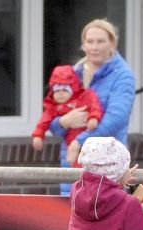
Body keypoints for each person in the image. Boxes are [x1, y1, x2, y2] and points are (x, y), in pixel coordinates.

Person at [50, 19, 136, 193]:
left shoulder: (123, 75)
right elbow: (50, 118)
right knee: (70, 215)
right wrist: (63, 122)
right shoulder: (72, 73)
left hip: (108, 164)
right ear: (83, 44)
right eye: (90, 41)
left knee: (107, 215)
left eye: (100, 41)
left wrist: (79, 141)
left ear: (112, 44)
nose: (95, 47)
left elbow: (116, 119)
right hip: (72, 162)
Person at [31, 65, 102, 159]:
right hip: (70, 142)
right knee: (74, 164)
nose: (60, 93)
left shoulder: (84, 96)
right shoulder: (53, 107)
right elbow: (43, 121)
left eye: (65, 90)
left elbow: (94, 105)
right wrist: (38, 135)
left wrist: (94, 117)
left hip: (90, 138)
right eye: (57, 90)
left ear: (73, 89)